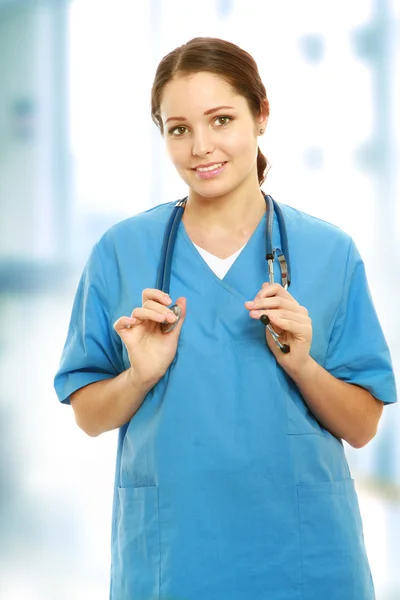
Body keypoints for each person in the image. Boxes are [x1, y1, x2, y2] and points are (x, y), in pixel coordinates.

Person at [54, 37, 397, 600]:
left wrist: (303, 366)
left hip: (306, 561)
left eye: (221, 120)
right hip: (174, 560)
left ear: (261, 116)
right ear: (162, 134)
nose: (201, 147)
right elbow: (89, 417)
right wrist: (139, 375)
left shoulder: (330, 252)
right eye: (179, 128)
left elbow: (362, 427)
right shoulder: (121, 253)